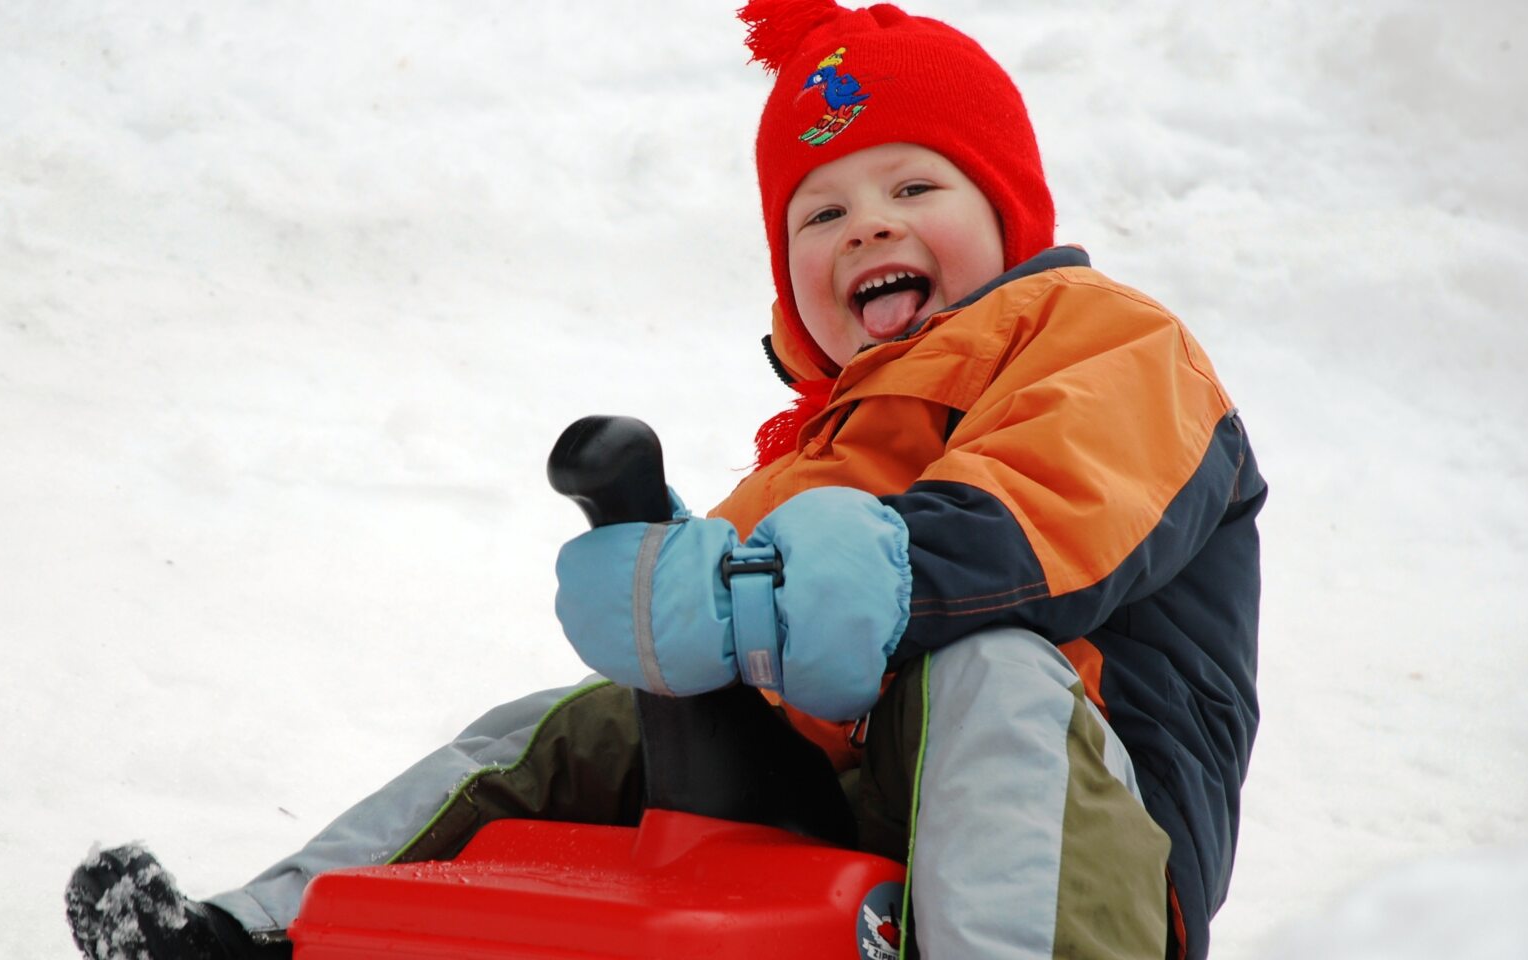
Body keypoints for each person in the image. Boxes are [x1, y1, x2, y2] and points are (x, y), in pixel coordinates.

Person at [64, 2, 1265, 958]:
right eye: (822, 212)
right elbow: (742, 621)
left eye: (914, 189)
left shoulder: (1106, 337)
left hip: (1090, 840)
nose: (865, 229)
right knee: (561, 729)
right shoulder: (811, 449)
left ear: (1006, 212)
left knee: (985, 668)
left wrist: (839, 576)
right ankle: (266, 934)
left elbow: (1049, 510)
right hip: (862, 806)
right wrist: (666, 595)